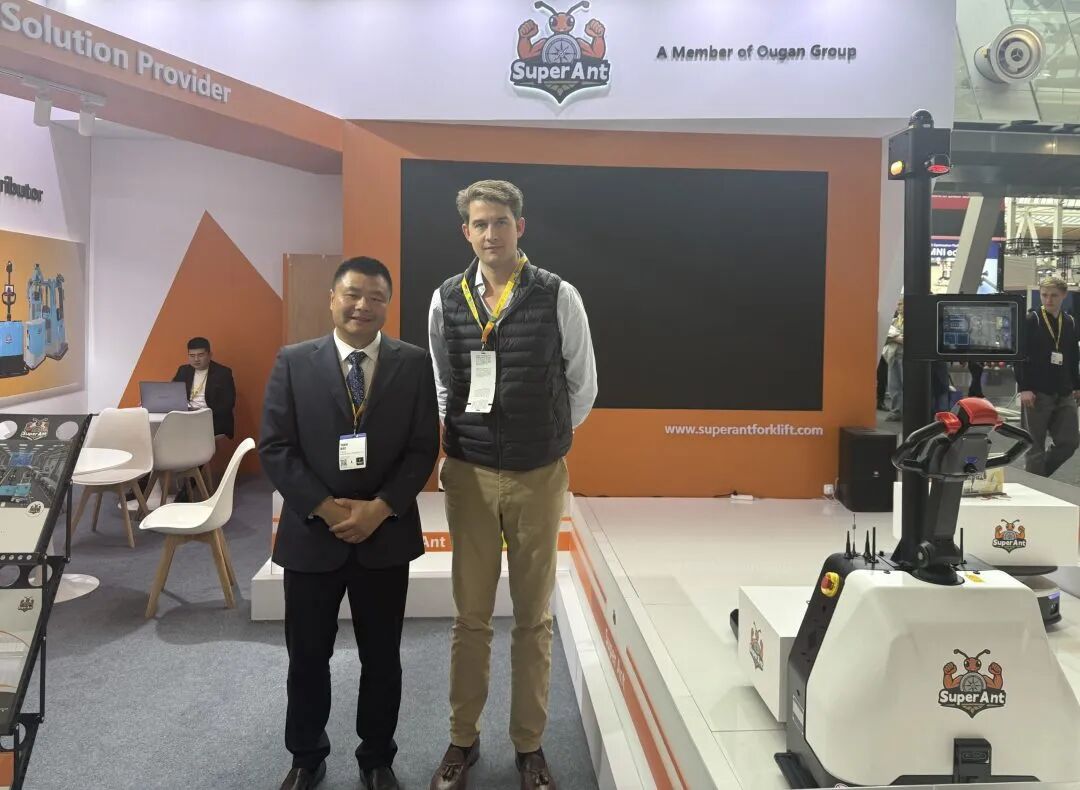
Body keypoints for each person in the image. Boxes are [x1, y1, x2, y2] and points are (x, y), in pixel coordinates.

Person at [427, 180, 598, 790]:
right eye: (480, 224)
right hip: (469, 475)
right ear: (466, 232)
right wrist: (465, 438)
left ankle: (529, 746)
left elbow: (583, 384)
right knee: (470, 617)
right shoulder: (445, 299)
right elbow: (444, 381)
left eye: (501, 222)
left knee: (533, 618)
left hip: (537, 475)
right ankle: (462, 739)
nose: (491, 233)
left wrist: (544, 438)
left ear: (520, 227)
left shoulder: (558, 295)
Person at [259, 256, 439, 790]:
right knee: (306, 658)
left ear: (388, 304)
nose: (363, 306)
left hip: (385, 536)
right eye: (353, 295)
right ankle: (306, 756)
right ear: (333, 299)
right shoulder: (294, 361)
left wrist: (379, 508)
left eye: (376, 297)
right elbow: (276, 446)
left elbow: (422, 447)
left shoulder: (412, 363)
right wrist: (327, 507)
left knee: (382, 658)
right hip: (312, 535)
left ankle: (377, 757)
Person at [1015, 276, 1080, 477]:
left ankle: (1038, 478)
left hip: (1064, 391)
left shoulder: (1069, 322)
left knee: (1069, 442)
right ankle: (1035, 485)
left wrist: (1077, 385)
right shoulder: (1031, 320)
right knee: (1034, 446)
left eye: (1053, 295)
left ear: (1064, 295)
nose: (1048, 300)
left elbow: (1072, 357)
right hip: (1036, 392)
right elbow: (1019, 356)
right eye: (1044, 295)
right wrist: (1024, 388)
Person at [172, 337, 236, 438]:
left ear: (210, 355)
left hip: (211, 418)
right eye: (192, 356)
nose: (196, 359)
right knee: (169, 430)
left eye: (200, 355)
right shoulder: (183, 370)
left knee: (190, 435)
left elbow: (228, 404)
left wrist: (204, 414)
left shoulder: (223, 373)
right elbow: (172, 393)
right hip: (186, 415)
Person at [882, 301, 904, 420]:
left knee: (906, 385)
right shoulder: (894, 321)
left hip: (905, 357)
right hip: (892, 356)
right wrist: (895, 338)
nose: (898, 307)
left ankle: (909, 412)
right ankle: (896, 411)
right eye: (897, 304)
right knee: (894, 386)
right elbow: (883, 337)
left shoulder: (913, 320)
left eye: (901, 304)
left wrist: (893, 338)